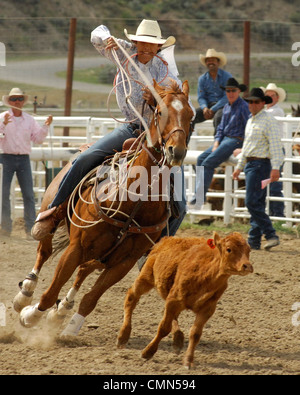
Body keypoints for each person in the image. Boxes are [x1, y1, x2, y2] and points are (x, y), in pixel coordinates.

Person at [32, 19, 194, 241]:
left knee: (180, 204)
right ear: (135, 42)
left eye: (151, 44)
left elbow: (184, 106)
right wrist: (107, 39)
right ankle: (53, 212)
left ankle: (157, 248)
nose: (145, 48)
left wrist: (157, 101)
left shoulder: (166, 71)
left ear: (158, 47)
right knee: (85, 158)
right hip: (131, 129)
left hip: (158, 137)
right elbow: (96, 33)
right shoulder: (125, 53)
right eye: (141, 42)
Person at [232, 88, 284, 251]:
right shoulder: (251, 120)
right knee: (258, 202)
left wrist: (276, 168)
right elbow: (247, 147)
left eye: (256, 102)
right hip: (253, 165)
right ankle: (254, 240)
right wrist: (240, 167)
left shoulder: (268, 120)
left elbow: (276, 146)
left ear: (263, 103)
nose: (253, 104)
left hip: (260, 165)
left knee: (251, 202)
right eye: (251, 102)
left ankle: (270, 234)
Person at [0, 87, 53, 238]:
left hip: (23, 158)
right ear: (9, 101)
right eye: (14, 99)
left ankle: (29, 227)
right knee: (3, 194)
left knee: (28, 194)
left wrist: (45, 126)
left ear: (23, 101)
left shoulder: (29, 119)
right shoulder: (2, 117)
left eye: (19, 99)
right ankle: (5, 226)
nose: (17, 101)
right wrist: (3, 124)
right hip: (5, 157)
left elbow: (38, 139)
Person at [190, 78, 250, 208]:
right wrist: (216, 142)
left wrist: (244, 147)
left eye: (233, 90)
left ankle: (199, 196)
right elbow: (221, 128)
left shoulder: (244, 107)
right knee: (200, 159)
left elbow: (248, 127)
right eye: (228, 91)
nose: (230, 93)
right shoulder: (227, 107)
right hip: (224, 140)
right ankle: (200, 195)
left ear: (238, 91)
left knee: (207, 163)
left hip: (235, 140)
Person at [192, 48, 232, 135]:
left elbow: (227, 97)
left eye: (213, 60)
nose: (211, 62)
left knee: (218, 118)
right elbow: (201, 97)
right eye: (208, 60)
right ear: (206, 63)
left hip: (223, 106)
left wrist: (212, 109)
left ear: (218, 62)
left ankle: (217, 145)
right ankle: (184, 144)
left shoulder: (227, 76)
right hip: (208, 107)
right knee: (190, 117)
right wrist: (205, 108)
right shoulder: (202, 78)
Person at [261, 83, 286, 217]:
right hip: (268, 150)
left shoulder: (277, 111)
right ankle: (274, 214)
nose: (270, 98)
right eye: (267, 96)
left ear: (277, 98)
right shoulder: (268, 111)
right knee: (269, 183)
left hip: (274, 150)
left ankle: (277, 214)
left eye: (272, 95)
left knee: (274, 185)